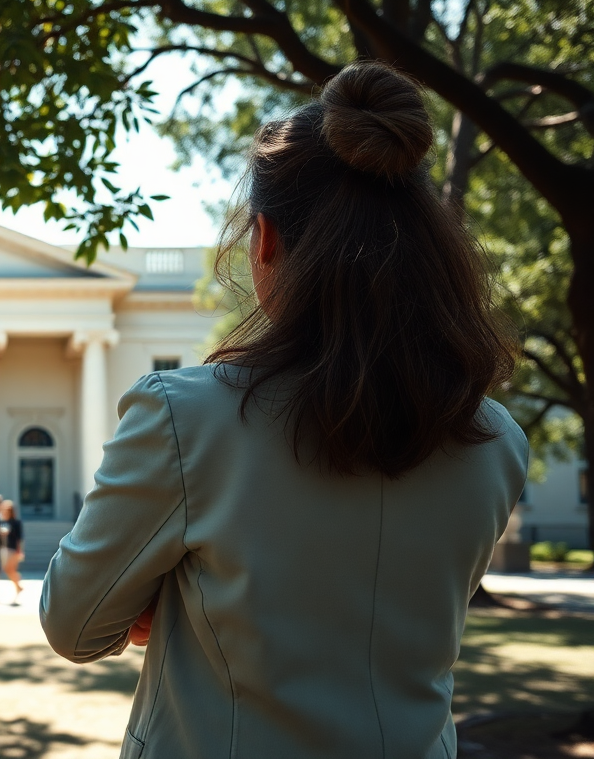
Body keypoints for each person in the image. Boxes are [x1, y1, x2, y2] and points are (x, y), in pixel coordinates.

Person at [40, 61, 527, 758]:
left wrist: (166, 591)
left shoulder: (187, 417)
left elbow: (74, 624)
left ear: (265, 240)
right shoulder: (497, 440)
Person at [0, 499, 23, 604]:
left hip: (13, 549)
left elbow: (20, 538)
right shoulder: (3, 522)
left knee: (10, 569)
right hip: (5, 548)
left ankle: (18, 585)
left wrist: (20, 551)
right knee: (6, 569)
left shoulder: (16, 523)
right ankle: (18, 586)